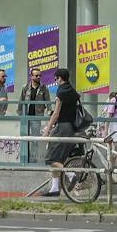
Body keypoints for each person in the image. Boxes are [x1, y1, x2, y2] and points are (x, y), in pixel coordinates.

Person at [42, 69, 85, 198]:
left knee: (50, 158)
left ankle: (70, 174)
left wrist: (47, 129)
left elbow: (56, 113)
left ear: (60, 78)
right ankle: (55, 188)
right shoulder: (72, 91)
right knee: (59, 158)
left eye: (56, 79)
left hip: (62, 126)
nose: (55, 81)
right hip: (71, 127)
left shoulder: (61, 91)